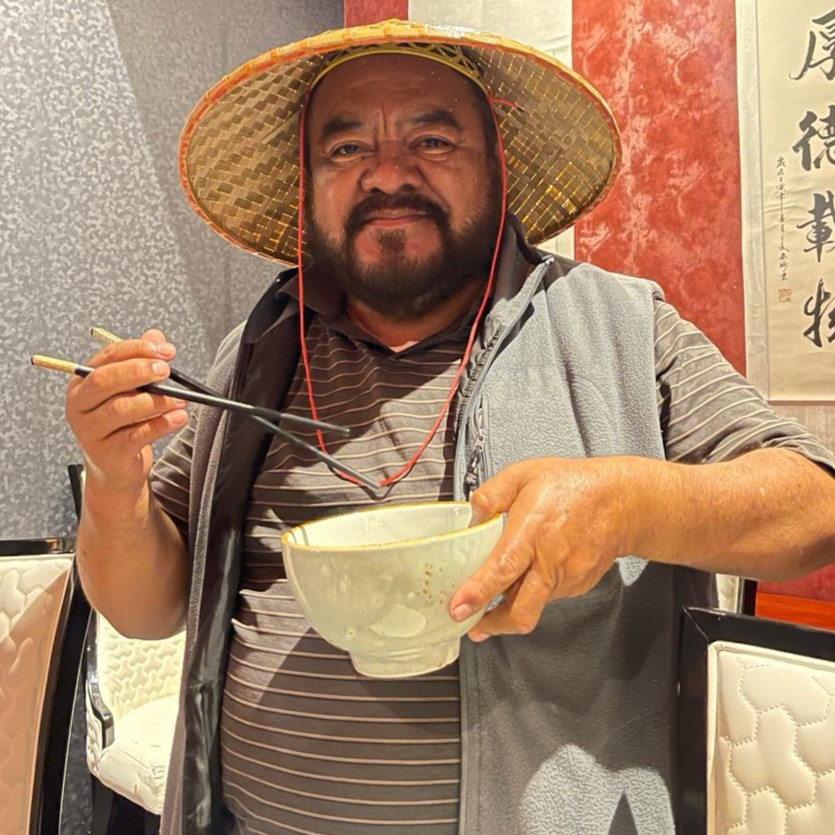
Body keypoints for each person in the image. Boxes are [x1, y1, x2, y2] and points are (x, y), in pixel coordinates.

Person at [65, 19, 835, 835]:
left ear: (496, 166)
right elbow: (146, 609)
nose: (386, 174)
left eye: (431, 140)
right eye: (345, 149)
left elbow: (813, 506)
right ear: (308, 187)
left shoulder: (617, 325)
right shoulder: (259, 352)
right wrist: (115, 482)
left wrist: (622, 505)